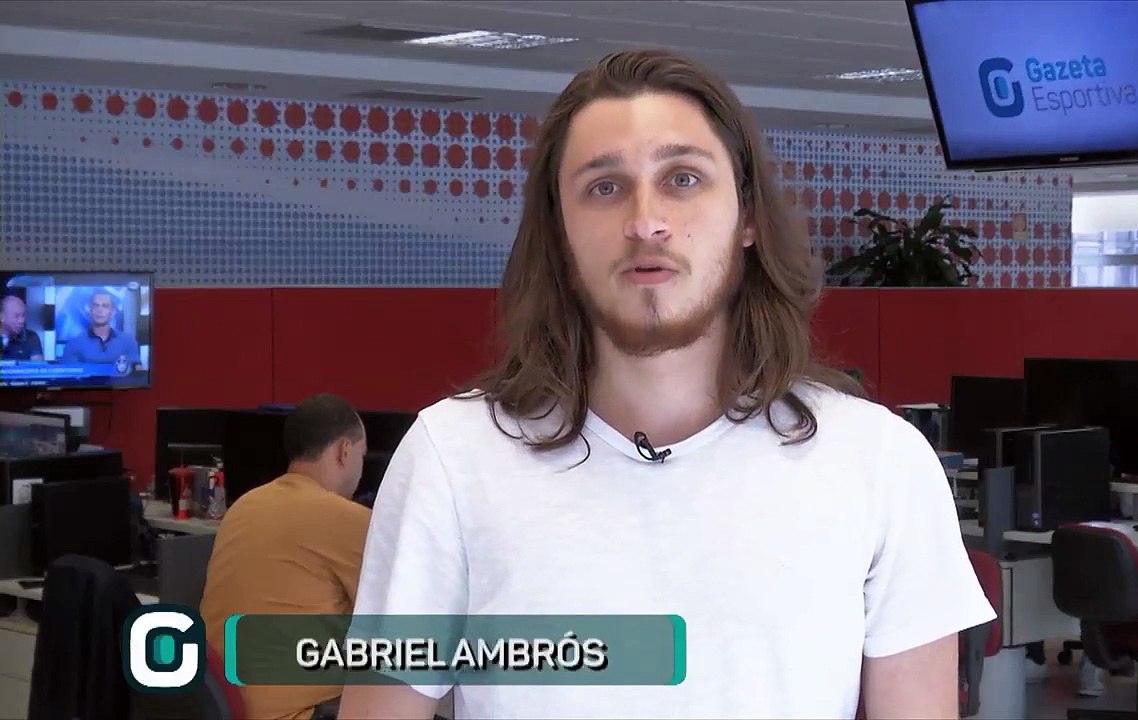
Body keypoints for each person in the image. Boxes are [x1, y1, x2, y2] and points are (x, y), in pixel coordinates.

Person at [339, 48, 994, 720]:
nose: (645, 221)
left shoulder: (879, 464)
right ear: (560, 237)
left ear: (747, 219)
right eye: (604, 186)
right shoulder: (452, 458)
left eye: (682, 179)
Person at [201, 394, 371, 720]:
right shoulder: (344, 518)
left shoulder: (244, 506)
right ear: (344, 451)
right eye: (362, 456)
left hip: (220, 706)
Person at [59, 289, 140, 367]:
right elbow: (69, 378)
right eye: (96, 305)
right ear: (90, 310)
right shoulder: (74, 344)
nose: (100, 310)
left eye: (105, 306)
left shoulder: (128, 342)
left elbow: (134, 375)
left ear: (113, 312)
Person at [1, 295, 44, 361]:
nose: (22, 320)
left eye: (23, 315)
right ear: (2, 317)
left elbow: (37, 368)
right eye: (16, 316)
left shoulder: (31, 337)